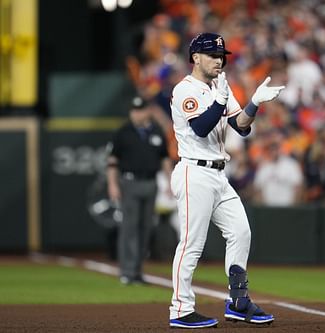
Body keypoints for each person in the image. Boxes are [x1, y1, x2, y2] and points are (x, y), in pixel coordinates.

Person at [168, 32, 284, 329]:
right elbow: (201, 129)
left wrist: (255, 103)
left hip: (219, 174)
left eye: (221, 55)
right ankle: (180, 308)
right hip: (194, 172)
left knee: (241, 232)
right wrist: (220, 98)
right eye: (212, 55)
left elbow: (241, 127)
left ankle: (238, 301)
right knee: (192, 244)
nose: (219, 60)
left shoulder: (221, 85)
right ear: (195, 58)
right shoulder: (185, 89)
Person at [106, 96, 171, 285]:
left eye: (140, 110)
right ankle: (127, 271)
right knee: (129, 228)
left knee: (145, 228)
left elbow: (165, 159)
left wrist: (170, 182)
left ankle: (138, 271)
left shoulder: (157, 131)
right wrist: (112, 184)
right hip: (129, 183)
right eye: (134, 110)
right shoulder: (123, 132)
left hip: (151, 183)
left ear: (147, 111)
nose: (136, 113)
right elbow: (112, 161)